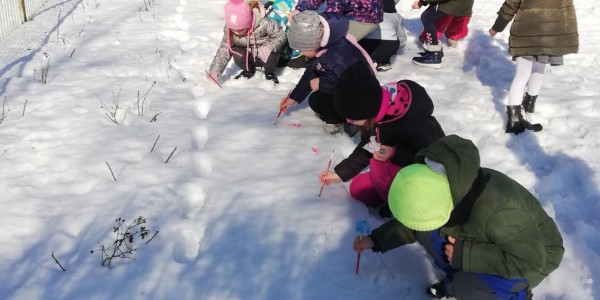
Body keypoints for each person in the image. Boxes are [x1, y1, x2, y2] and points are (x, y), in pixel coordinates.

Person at [353, 135, 564, 300]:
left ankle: (513, 295)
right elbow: (414, 222)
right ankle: (457, 277)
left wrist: (466, 254)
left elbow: (531, 260)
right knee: (426, 230)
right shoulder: (444, 188)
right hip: (482, 236)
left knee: (468, 287)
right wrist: (376, 240)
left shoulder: (501, 213)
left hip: (532, 257)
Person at [319, 62, 445, 217]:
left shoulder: (415, 121)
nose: (349, 122)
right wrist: (341, 173)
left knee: (379, 167)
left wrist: (395, 153)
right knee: (359, 188)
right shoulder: (376, 113)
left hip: (421, 177)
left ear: (367, 111)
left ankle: (402, 205)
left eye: (352, 118)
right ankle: (391, 194)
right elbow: (369, 144)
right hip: (397, 170)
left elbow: (435, 159)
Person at [279, 11, 377, 135]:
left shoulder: (340, 55)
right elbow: (311, 73)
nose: (301, 52)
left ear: (313, 43)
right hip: (344, 86)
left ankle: (353, 121)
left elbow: (355, 86)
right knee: (317, 97)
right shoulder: (323, 48)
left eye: (302, 49)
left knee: (317, 101)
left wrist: (322, 84)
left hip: (362, 99)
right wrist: (294, 97)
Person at [489, 0, 578, 134]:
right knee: (539, 68)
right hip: (552, 31)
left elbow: (511, 4)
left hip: (527, 31)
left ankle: (515, 120)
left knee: (522, 75)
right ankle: (527, 107)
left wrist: (497, 26)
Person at [207, 0, 287, 84]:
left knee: (272, 56)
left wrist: (270, 47)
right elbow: (224, 50)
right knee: (237, 54)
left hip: (265, 54)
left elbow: (281, 35)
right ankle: (249, 69)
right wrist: (215, 70)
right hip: (248, 56)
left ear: (248, 22)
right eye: (234, 30)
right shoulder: (229, 30)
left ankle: (269, 72)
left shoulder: (264, 23)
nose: (237, 32)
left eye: (240, 29)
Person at [411, 0, 474, 68]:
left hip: (455, 3)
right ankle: (437, 53)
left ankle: (434, 55)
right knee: (428, 16)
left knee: (427, 18)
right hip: (456, 3)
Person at [294, 0, 384, 41]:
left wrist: (321, 22)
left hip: (363, 19)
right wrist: (300, 9)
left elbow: (337, 7)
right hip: (355, 14)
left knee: (327, 36)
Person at [358, 0, 407, 72]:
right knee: (392, 41)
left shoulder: (368, 14)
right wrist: (399, 47)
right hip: (388, 47)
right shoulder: (396, 16)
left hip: (369, 47)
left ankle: (368, 60)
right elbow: (401, 35)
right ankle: (384, 62)